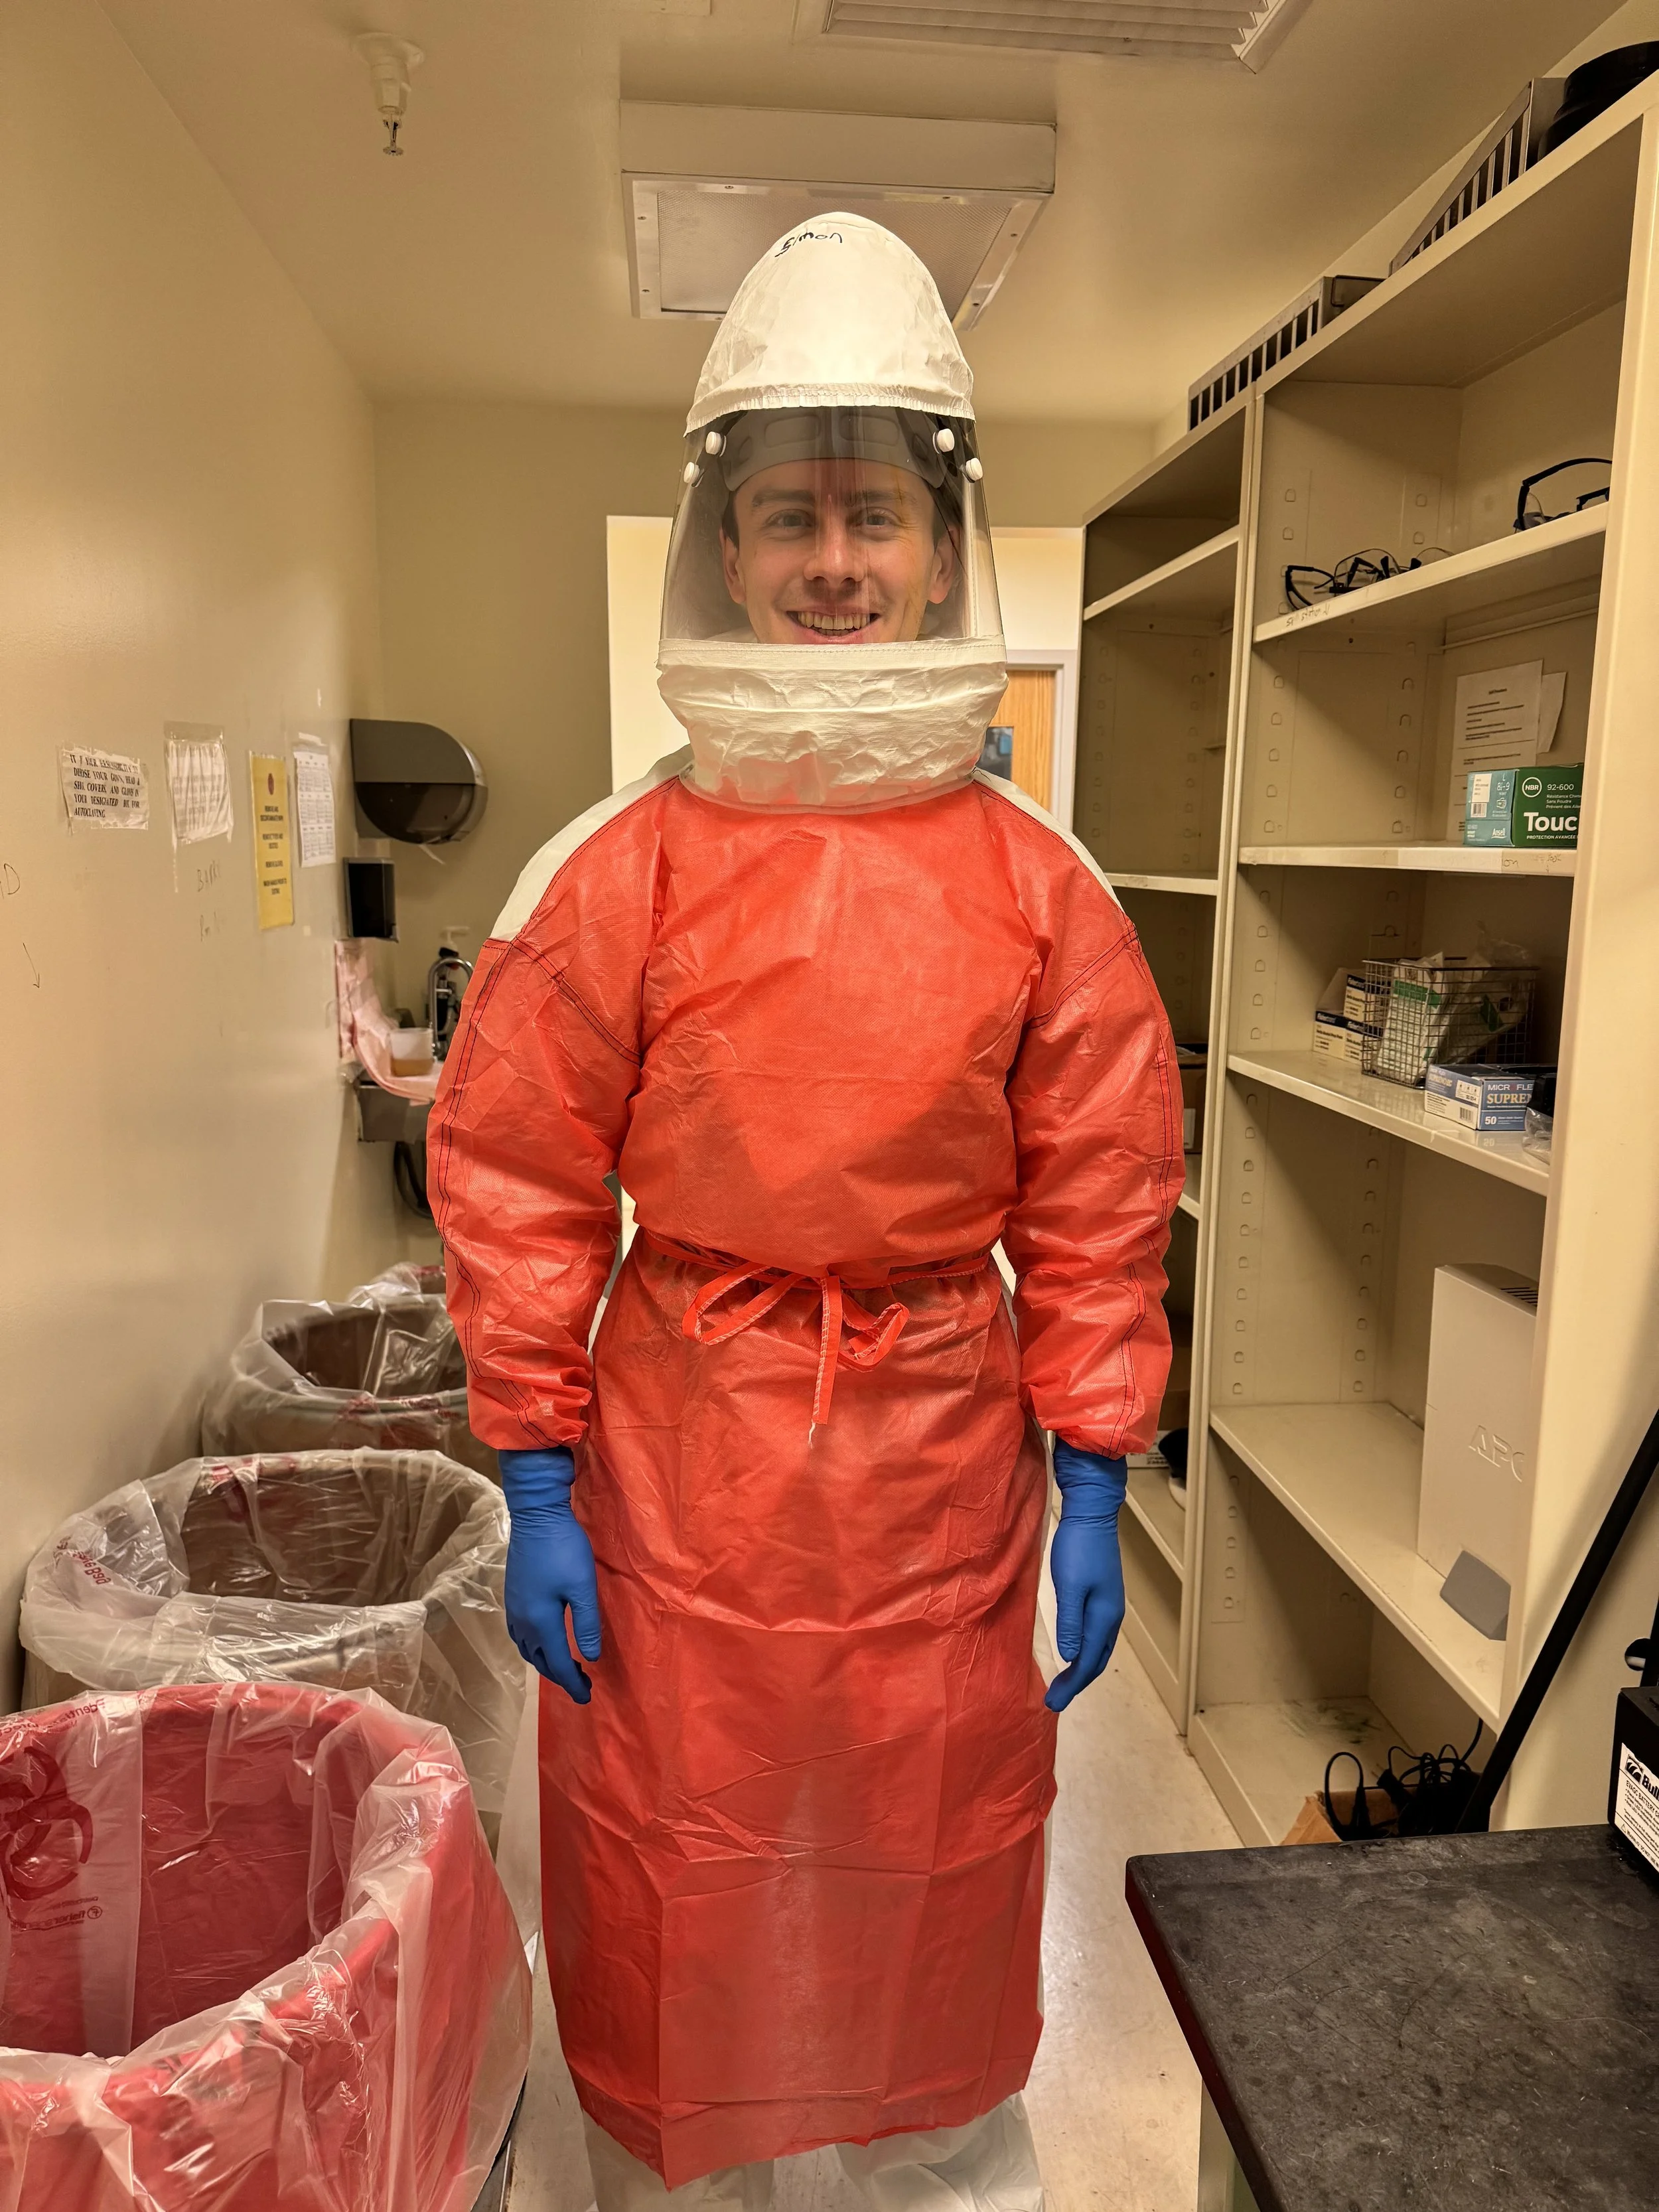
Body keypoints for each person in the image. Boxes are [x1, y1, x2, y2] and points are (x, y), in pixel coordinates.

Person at [429, 211, 1181, 2212]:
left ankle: (937, 2168)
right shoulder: (618, 868)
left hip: (942, 1460)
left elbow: (1104, 1191)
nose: (834, 563)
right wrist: (531, 1473)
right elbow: (511, 1179)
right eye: (786, 517)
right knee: (692, 1856)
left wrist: (1094, 1469)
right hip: (684, 1459)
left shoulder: (1041, 883)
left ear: (944, 542)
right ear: (723, 549)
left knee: (917, 1858)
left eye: (871, 514)